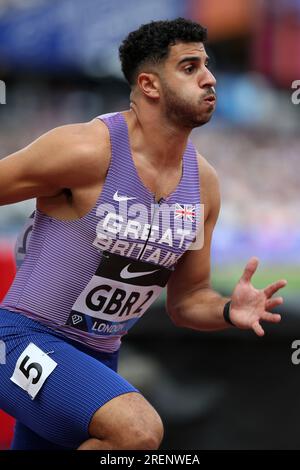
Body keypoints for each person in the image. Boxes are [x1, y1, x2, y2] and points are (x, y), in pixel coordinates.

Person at [0, 17, 287, 450]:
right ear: (150, 85)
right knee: (137, 432)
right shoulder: (86, 150)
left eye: (207, 65)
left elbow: (188, 301)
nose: (210, 78)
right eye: (190, 68)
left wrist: (230, 310)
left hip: (98, 358)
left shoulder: (202, 185)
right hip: (22, 339)